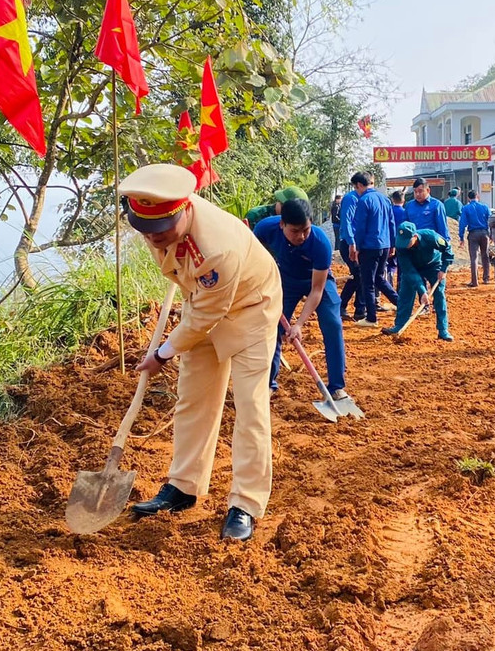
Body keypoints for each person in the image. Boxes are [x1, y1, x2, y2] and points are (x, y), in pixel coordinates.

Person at [121, 164, 282, 542]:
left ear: (183, 210)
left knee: (249, 407)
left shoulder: (218, 247)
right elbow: (195, 298)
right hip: (202, 304)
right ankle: (184, 487)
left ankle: (245, 503)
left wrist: (162, 353)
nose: (153, 240)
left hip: (249, 310)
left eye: (161, 232)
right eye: (146, 231)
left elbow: (209, 315)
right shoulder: (156, 223)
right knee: (192, 399)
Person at [255, 198, 349, 402]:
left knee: (333, 324)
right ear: (282, 225)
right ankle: (269, 383)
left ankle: (337, 387)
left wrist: (298, 324)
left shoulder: (320, 242)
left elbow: (317, 289)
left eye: (305, 229)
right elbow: (253, 254)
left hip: (316, 280)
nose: (301, 236)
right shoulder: (266, 228)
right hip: (285, 280)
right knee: (272, 328)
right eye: (295, 231)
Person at [344, 172, 399, 328]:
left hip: (369, 246)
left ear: (360, 185)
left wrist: (357, 247)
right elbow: (391, 223)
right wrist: (392, 244)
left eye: (356, 187)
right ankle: (401, 303)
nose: (356, 190)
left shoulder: (363, 200)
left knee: (368, 282)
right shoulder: (385, 199)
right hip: (385, 245)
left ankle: (371, 318)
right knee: (379, 278)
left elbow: (360, 227)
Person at [384, 220, 454, 341]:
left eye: (407, 242)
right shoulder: (401, 247)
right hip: (412, 268)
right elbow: (409, 271)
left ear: (415, 236)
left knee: (439, 295)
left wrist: (443, 268)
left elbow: (447, 249)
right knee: (405, 294)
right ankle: (399, 325)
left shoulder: (430, 236)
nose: (405, 245)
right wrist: (422, 291)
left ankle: (443, 330)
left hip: (434, 266)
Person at [336, 185, 361, 321]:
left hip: (360, 243)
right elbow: (346, 221)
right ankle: (341, 305)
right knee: (358, 273)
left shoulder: (365, 198)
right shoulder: (351, 198)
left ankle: (360, 309)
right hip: (349, 243)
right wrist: (352, 242)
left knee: (361, 275)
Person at [459, 190, 492, 287]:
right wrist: (491, 234)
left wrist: (461, 237)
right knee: (485, 255)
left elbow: (462, 224)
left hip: (473, 234)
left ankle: (474, 281)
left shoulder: (466, 208)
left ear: (468, 198)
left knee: (474, 257)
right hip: (484, 233)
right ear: (478, 196)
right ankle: (486, 278)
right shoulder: (485, 207)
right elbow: (490, 221)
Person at [388, 190, 406, 289]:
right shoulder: (405, 213)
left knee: (389, 264)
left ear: (392, 200)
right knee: (401, 266)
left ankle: (389, 281)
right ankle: (400, 286)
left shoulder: (388, 211)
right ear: (403, 200)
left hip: (389, 241)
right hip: (402, 242)